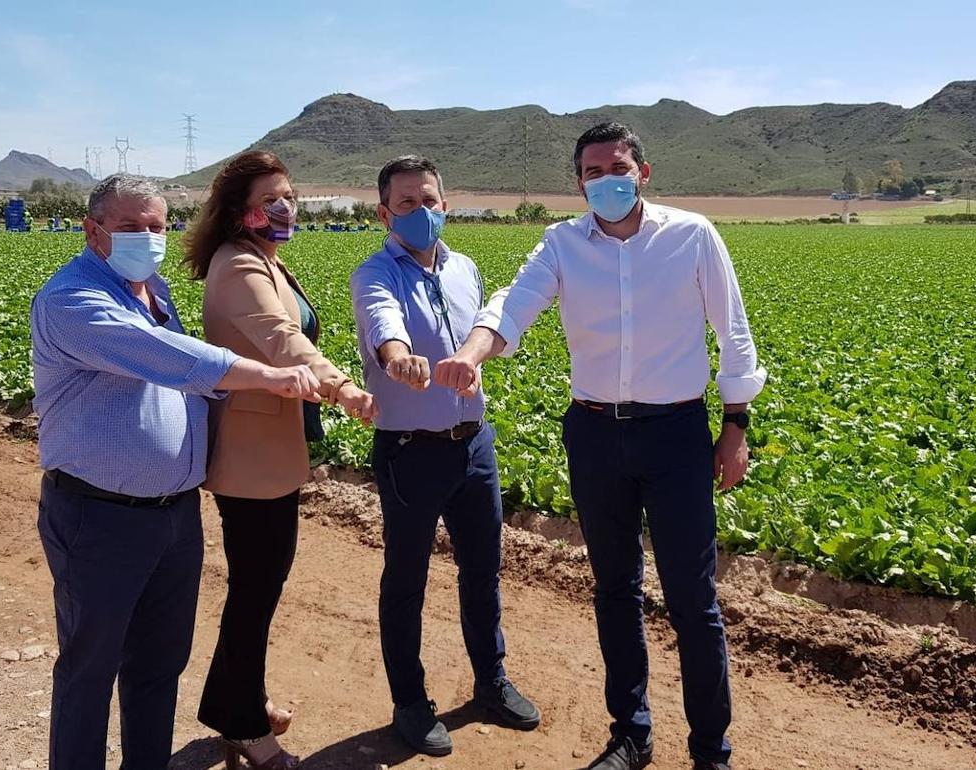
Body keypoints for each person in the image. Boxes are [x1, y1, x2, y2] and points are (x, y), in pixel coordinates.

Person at [434, 123, 766, 770]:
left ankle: (710, 752)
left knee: (692, 601)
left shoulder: (692, 235)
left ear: (642, 172)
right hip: (593, 434)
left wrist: (735, 426)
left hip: (675, 434)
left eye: (616, 167)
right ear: (579, 182)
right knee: (614, 589)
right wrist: (474, 352)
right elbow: (515, 302)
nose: (604, 180)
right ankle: (631, 734)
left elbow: (734, 330)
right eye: (590, 172)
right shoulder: (562, 243)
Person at [30, 173, 322, 770]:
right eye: (130, 227)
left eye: (157, 227)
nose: (147, 237)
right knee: (91, 668)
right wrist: (266, 377)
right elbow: (167, 359)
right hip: (99, 514)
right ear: (93, 231)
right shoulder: (73, 299)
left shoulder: (153, 289)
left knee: (159, 667)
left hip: (174, 516)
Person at [185, 150, 378, 770]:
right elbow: (283, 340)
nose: (285, 206)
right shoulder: (240, 264)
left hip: (269, 448)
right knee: (255, 589)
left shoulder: (266, 258)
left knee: (258, 586)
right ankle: (242, 722)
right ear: (241, 210)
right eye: (271, 198)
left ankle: (234, 701)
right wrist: (342, 386)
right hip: (251, 457)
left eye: (289, 195)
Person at [349, 155, 539, 757]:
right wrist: (398, 355)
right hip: (410, 452)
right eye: (406, 204)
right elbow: (384, 325)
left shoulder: (466, 269)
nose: (421, 212)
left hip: (473, 445)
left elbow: (484, 338)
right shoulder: (374, 273)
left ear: (445, 205)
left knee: (483, 571)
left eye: (429, 201)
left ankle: (491, 682)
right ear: (384, 213)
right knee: (406, 581)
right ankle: (410, 701)